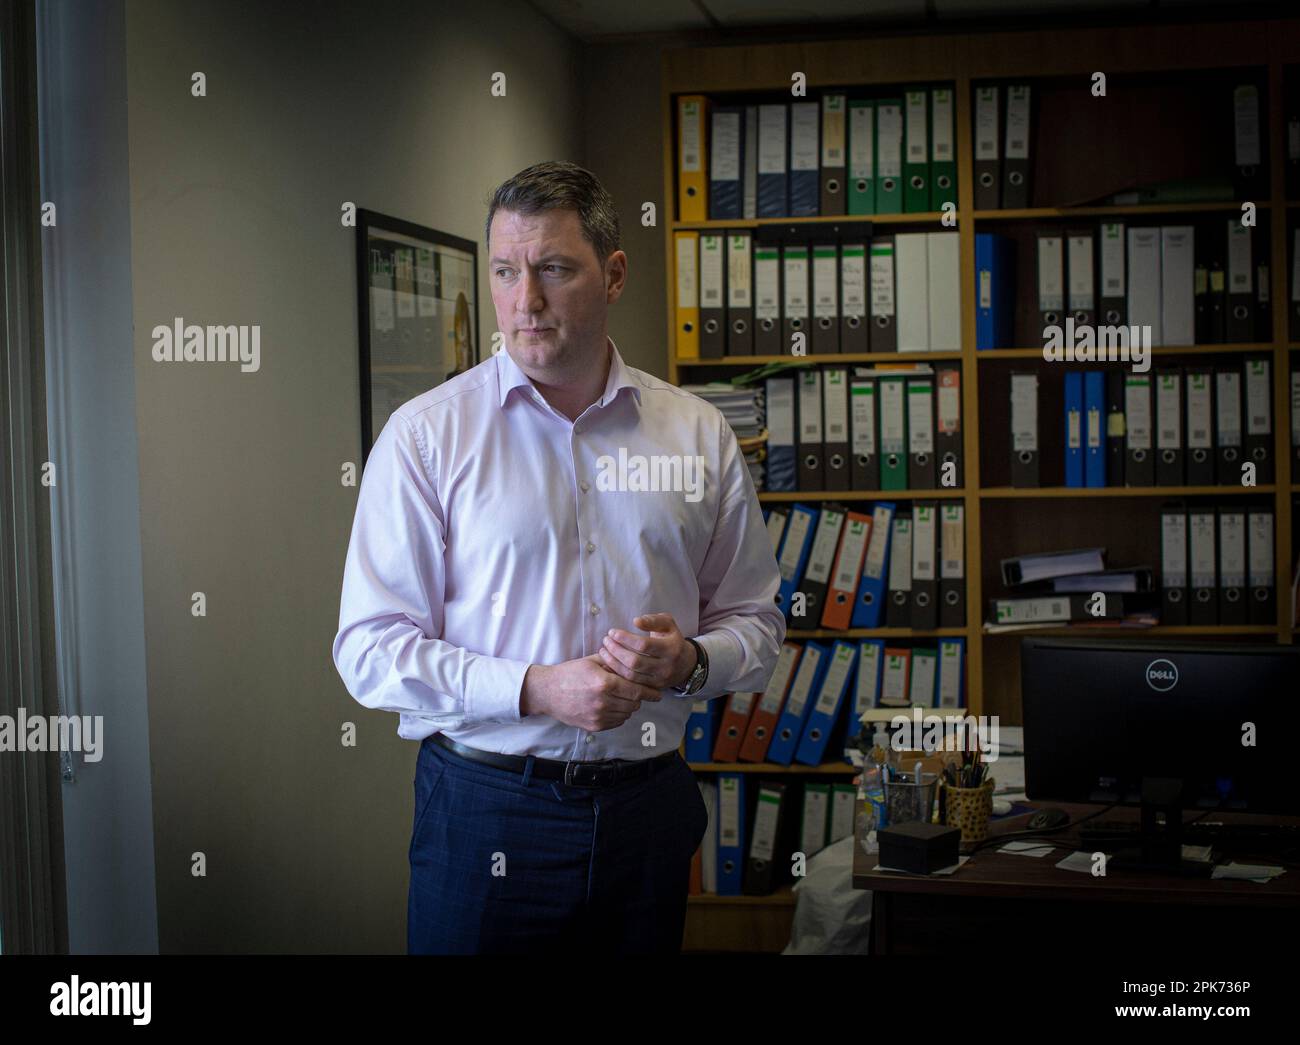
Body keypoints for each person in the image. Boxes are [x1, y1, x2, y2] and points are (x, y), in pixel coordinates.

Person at [332, 160, 784, 954]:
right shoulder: (427, 437)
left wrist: (688, 662)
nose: (523, 301)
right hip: (486, 809)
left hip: (647, 812)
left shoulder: (695, 433)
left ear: (612, 275)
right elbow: (369, 651)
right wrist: (537, 688)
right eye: (505, 271)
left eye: (552, 269)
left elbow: (756, 621)